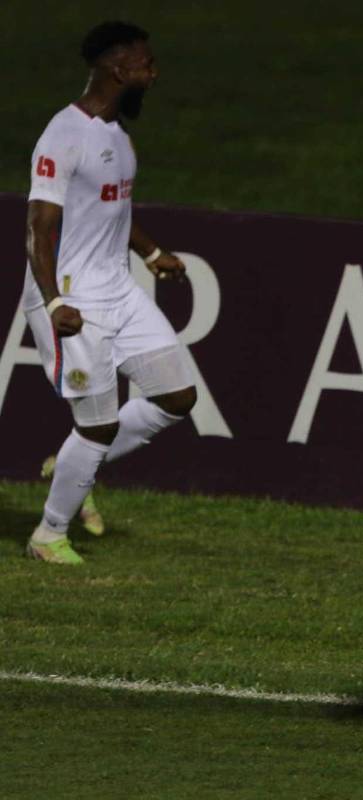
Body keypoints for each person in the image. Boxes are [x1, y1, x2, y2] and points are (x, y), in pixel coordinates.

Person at [23, 21, 197, 565]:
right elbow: (38, 227)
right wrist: (54, 302)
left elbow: (113, 210)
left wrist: (150, 253)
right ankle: (49, 535)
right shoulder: (63, 135)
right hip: (74, 298)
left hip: (118, 291)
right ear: (118, 69)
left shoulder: (118, 136)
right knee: (96, 425)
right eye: (146, 64)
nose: (154, 72)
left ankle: (74, 464)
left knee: (177, 397)